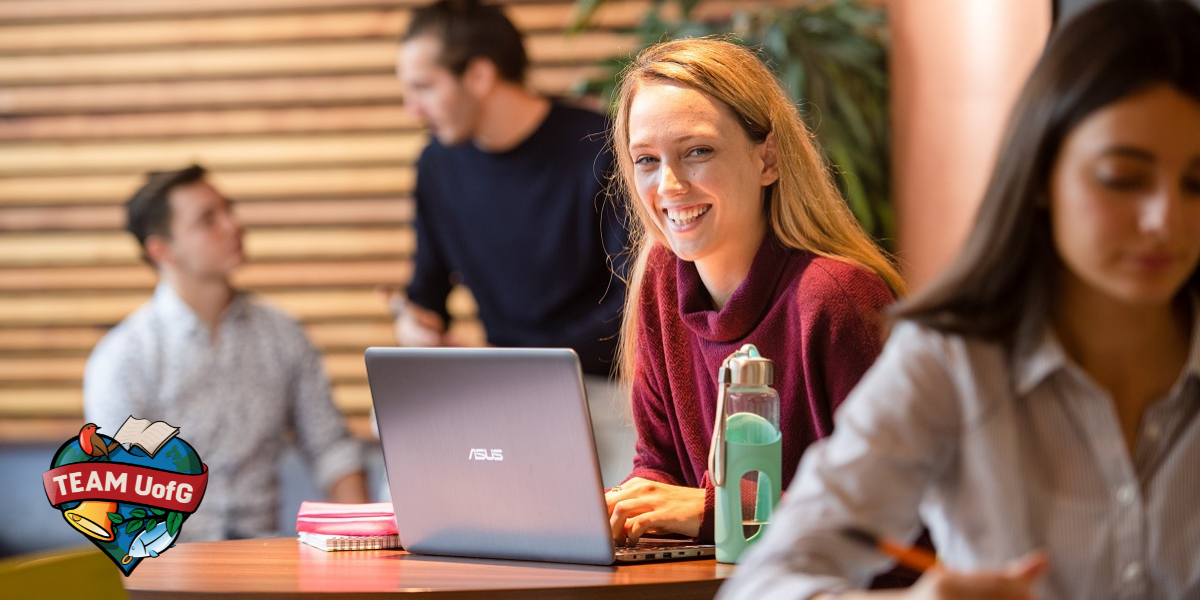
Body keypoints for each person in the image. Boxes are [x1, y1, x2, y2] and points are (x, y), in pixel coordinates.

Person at [718, 1, 1200, 598]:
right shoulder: (952, 359)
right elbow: (764, 581)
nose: (1165, 220)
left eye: (1197, 184)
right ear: (1043, 174)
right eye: (1123, 179)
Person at [603, 38, 906, 547]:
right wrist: (631, 510)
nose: (669, 185)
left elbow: (891, 511)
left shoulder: (839, 298)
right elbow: (660, 467)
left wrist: (714, 510)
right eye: (647, 160)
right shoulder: (660, 278)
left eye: (697, 151)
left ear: (768, 159)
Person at [394, 0, 634, 484]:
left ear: (479, 75)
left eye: (423, 87)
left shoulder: (601, 145)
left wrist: (527, 366)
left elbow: (633, 301)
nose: (412, 109)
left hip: (601, 393)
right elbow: (427, 290)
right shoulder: (437, 166)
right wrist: (413, 323)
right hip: (503, 397)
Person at [84, 165, 368, 542]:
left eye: (228, 210)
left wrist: (366, 552)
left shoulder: (282, 335)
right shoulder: (124, 358)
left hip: (266, 562)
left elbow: (332, 450)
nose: (234, 225)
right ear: (162, 250)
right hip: (169, 572)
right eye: (208, 220)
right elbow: (114, 499)